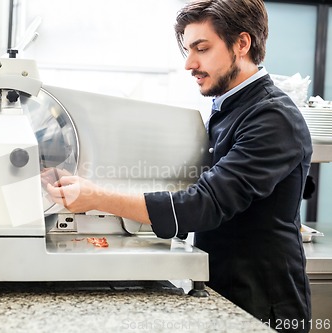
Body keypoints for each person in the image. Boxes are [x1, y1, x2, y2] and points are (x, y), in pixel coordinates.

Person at [45, 0, 312, 332]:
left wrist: (97, 197)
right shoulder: (229, 107)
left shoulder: (272, 117)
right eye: (188, 49)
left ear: (242, 44)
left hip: (263, 302)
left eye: (202, 48)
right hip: (223, 287)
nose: (190, 63)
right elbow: (188, 187)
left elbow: (205, 203)